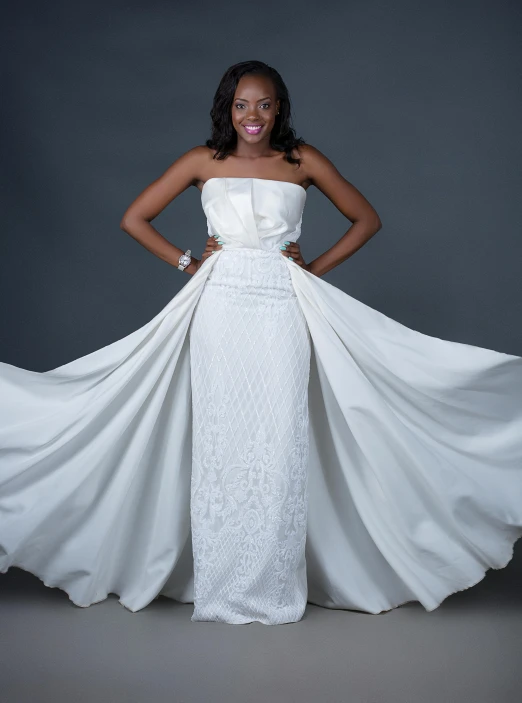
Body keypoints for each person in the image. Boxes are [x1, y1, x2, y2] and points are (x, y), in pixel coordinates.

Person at [1, 60, 521, 626]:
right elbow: (135, 217)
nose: (253, 115)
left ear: (280, 109)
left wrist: (312, 270)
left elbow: (366, 219)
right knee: (222, 443)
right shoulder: (204, 161)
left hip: (280, 310)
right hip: (219, 309)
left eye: (265, 104)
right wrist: (189, 263)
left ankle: (273, 587)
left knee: (278, 442)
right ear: (228, 107)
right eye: (243, 104)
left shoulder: (302, 160)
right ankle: (221, 584)